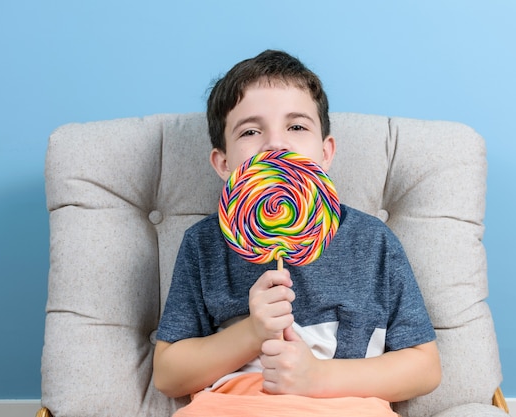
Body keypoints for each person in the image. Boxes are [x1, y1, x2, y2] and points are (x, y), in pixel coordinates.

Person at [153, 49, 441, 417]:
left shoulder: (372, 242)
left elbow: (425, 367)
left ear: (325, 153)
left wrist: (317, 376)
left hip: (345, 406)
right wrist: (252, 332)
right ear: (223, 164)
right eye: (251, 131)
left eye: (297, 126)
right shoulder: (204, 244)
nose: (276, 143)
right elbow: (168, 375)